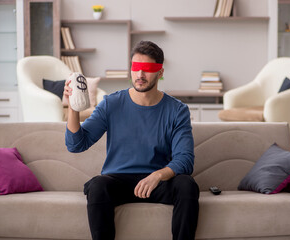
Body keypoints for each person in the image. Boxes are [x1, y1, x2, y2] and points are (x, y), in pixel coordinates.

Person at [64, 40, 199, 240]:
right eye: (136, 68)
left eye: (147, 69)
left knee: (187, 185)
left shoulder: (177, 110)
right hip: (118, 180)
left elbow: (185, 159)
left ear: (160, 73)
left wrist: (157, 176)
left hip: (157, 182)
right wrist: (73, 107)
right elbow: (76, 144)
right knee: (98, 186)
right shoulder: (111, 104)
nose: (140, 75)